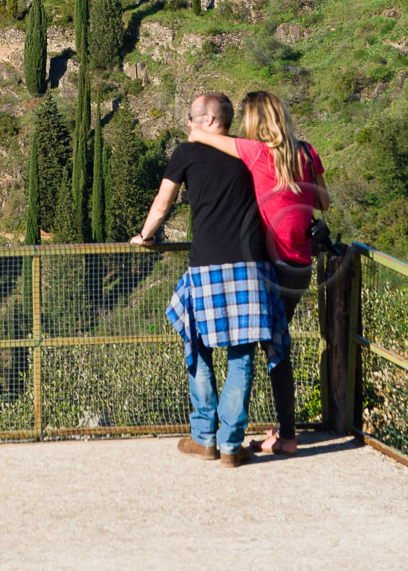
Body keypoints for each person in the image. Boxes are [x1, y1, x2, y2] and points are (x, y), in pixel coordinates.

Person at [131, 91, 289, 468]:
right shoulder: (252, 151)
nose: (187, 123)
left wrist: (146, 236)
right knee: (241, 359)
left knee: (197, 346)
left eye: (190, 117)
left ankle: (204, 438)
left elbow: (162, 204)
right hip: (252, 268)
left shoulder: (186, 153)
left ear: (208, 120)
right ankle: (231, 446)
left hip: (206, 267)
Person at [187, 89, 329, 456]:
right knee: (279, 349)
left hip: (268, 267)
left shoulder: (257, 153)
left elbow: (204, 135)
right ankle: (284, 431)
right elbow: (323, 201)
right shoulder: (308, 153)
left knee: (257, 352)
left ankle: (273, 437)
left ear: (254, 123)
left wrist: (195, 130)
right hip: (301, 266)